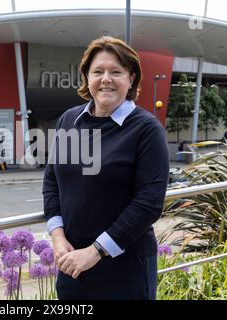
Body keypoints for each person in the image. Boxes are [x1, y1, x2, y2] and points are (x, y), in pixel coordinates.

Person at [43, 36, 169, 300]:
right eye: (98, 71)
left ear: (131, 78)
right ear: (87, 78)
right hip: (73, 265)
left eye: (116, 72)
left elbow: (149, 203)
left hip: (125, 269)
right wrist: (57, 236)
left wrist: (95, 251)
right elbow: (52, 182)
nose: (106, 79)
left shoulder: (146, 130)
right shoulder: (70, 120)